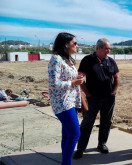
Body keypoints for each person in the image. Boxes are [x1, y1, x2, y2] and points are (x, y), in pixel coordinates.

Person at [73, 38, 120, 159]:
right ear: (98, 48)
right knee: (87, 123)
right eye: (106, 49)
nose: (108, 51)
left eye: (109, 48)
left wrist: (114, 91)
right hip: (92, 99)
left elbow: (117, 77)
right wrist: (87, 94)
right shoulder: (88, 60)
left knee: (106, 121)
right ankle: (81, 148)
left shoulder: (111, 61)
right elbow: (80, 78)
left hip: (108, 98)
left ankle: (102, 144)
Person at [48, 32, 83, 165]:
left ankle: (65, 161)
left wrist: (78, 80)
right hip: (62, 103)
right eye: (74, 43)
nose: (77, 45)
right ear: (65, 44)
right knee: (75, 134)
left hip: (70, 101)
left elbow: (69, 79)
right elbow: (54, 83)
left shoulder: (68, 59)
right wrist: (74, 82)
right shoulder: (56, 59)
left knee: (68, 134)